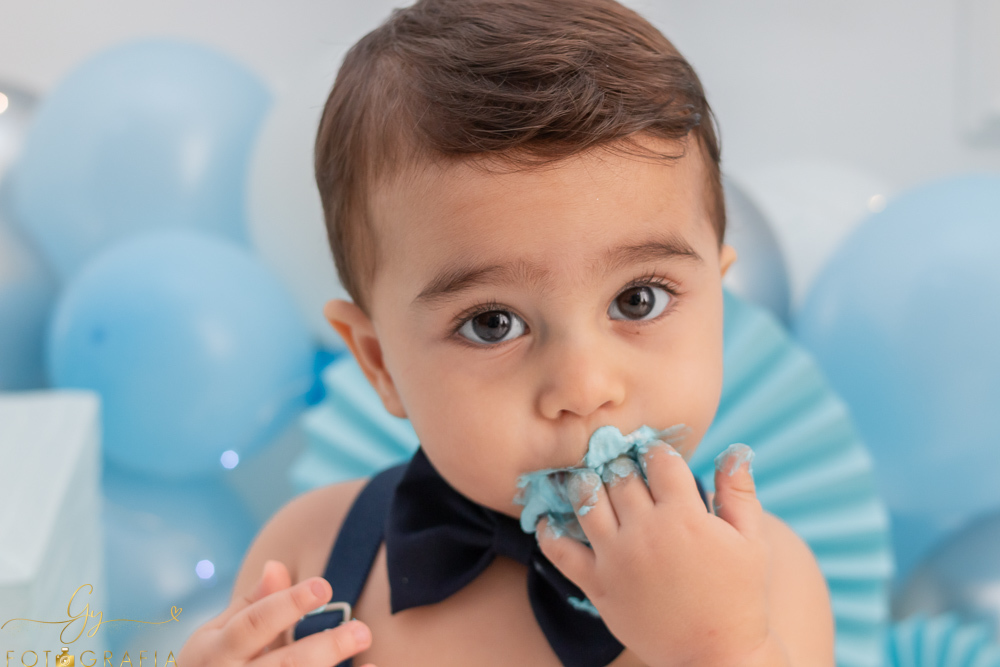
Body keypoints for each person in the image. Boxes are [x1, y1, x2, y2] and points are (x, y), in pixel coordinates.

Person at [178, 0, 836, 664]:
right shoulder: (311, 554)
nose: (584, 386)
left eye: (638, 299)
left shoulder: (767, 580)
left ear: (719, 302)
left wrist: (722, 647)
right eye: (493, 324)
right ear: (379, 363)